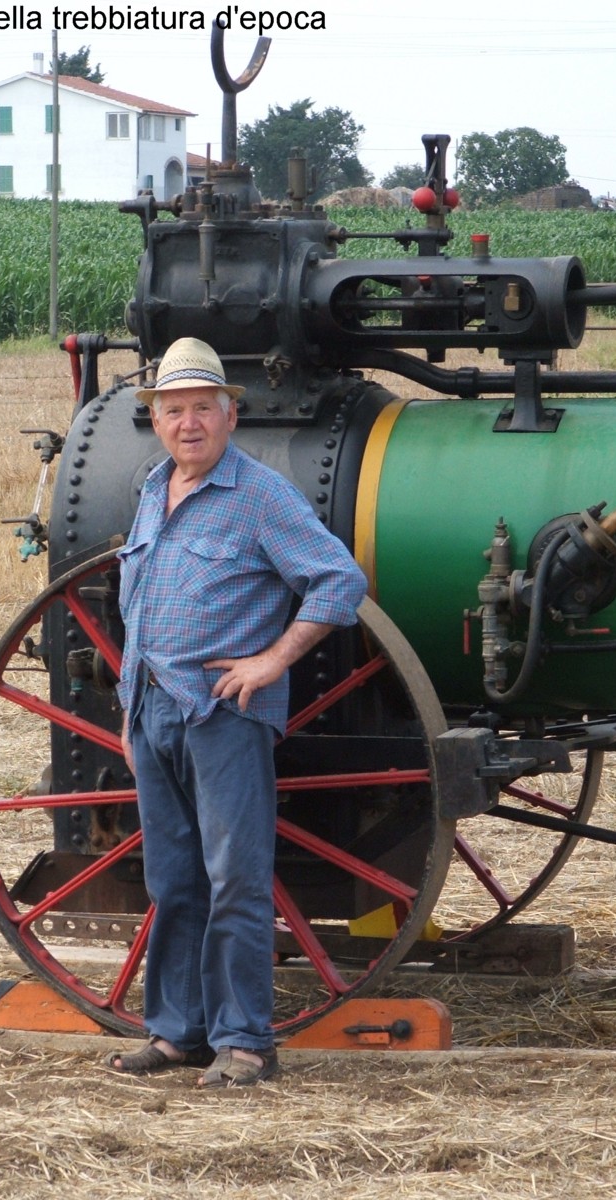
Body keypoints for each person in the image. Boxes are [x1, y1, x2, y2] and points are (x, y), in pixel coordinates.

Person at [105, 338, 366, 1088]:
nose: (188, 423)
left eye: (201, 409)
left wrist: (273, 661)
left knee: (235, 880)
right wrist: (129, 713)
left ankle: (245, 1042)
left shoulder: (260, 495)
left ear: (230, 414)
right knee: (174, 883)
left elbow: (339, 581)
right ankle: (178, 1035)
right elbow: (140, 609)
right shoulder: (155, 488)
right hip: (154, 711)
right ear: (156, 420)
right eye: (173, 410)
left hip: (223, 716)